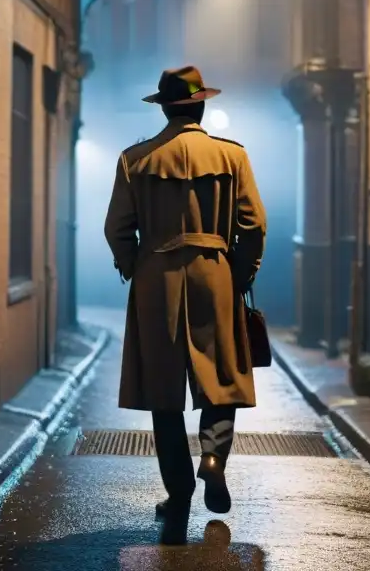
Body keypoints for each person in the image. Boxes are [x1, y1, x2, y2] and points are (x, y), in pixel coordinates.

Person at [104, 66, 267, 524]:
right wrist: (240, 275)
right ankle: (213, 459)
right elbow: (253, 225)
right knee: (220, 378)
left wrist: (136, 264)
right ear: (201, 105)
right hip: (215, 272)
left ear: (164, 107)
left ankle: (178, 496)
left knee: (163, 391)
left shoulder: (135, 159)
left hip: (156, 276)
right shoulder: (232, 157)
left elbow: (117, 229)